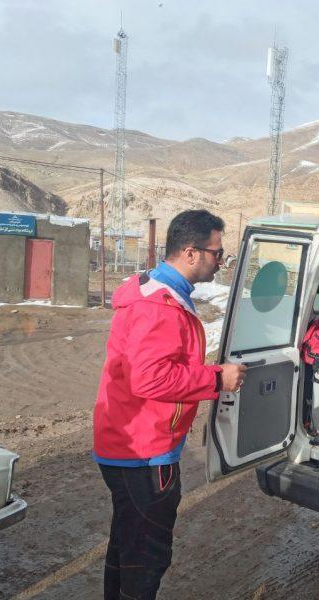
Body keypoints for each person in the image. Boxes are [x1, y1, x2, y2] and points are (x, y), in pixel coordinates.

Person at [93, 210, 247, 600]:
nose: (221, 260)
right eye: (218, 252)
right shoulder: (159, 306)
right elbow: (151, 378)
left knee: (128, 545)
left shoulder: (156, 292)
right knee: (146, 555)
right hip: (145, 451)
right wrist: (217, 378)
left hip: (126, 441)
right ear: (192, 253)